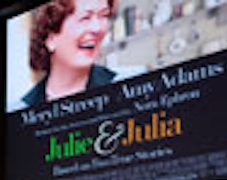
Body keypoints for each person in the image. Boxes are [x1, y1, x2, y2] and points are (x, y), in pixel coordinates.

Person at [8, 0, 145, 111]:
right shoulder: (20, 110)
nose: (97, 28)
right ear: (50, 38)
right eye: (85, 17)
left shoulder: (131, 83)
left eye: (104, 15)